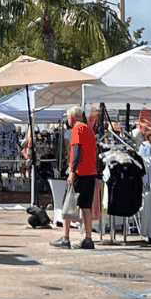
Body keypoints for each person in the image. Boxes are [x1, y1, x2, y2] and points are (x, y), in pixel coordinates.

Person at [52, 105, 97, 249]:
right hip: (91, 172)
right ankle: (88, 239)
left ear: (73, 117)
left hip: (80, 172)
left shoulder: (77, 129)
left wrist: (72, 171)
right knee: (86, 206)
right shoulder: (89, 129)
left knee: (68, 204)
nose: (67, 119)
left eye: (68, 116)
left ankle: (66, 238)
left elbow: (77, 150)